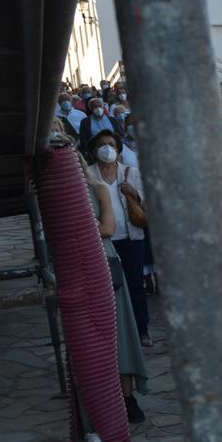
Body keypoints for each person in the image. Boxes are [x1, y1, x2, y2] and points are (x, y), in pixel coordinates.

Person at [79, 148, 148, 423]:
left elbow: (107, 228)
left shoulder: (97, 189)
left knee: (120, 331)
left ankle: (127, 396)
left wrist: (76, 229)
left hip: (105, 261)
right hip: (78, 268)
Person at [86, 130, 151, 347]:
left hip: (132, 238)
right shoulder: (89, 176)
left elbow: (145, 206)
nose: (108, 149)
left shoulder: (131, 172)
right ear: (94, 151)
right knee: (108, 288)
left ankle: (142, 331)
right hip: (105, 241)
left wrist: (134, 193)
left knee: (135, 286)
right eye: (103, 145)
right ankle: (114, 335)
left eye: (112, 144)